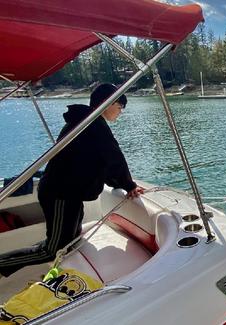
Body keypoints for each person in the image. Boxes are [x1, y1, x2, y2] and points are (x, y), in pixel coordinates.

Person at [0, 83, 143, 278]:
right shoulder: (93, 124)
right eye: (120, 106)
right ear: (108, 103)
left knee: (69, 241)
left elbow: (102, 163)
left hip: (68, 194)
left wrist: (122, 184)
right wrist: (130, 185)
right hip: (61, 195)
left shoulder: (84, 122)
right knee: (54, 249)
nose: (120, 112)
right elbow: (114, 158)